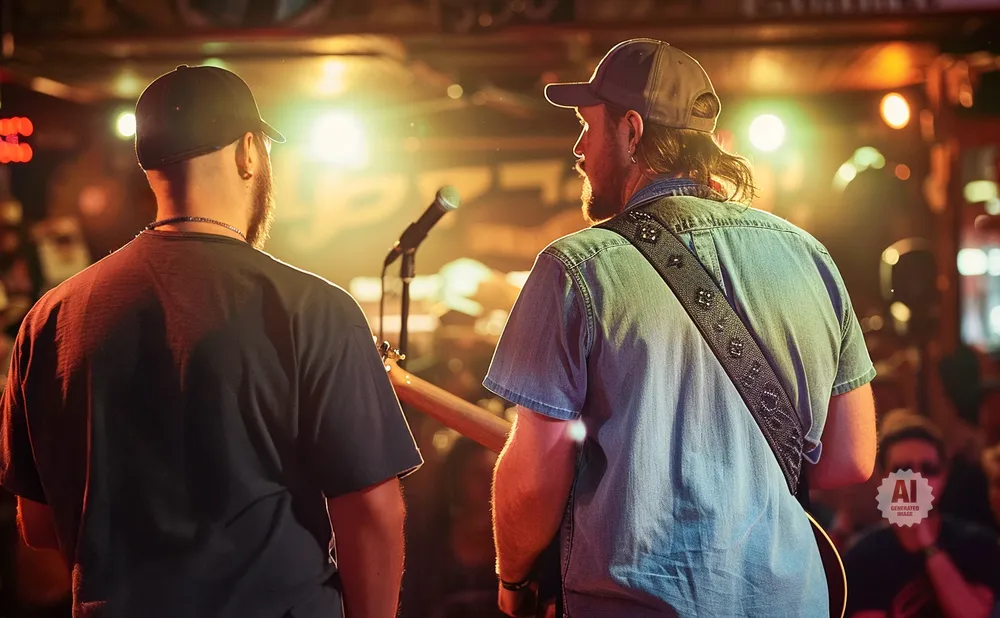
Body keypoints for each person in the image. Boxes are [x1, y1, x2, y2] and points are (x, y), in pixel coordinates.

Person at [0, 65, 423, 618]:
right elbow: (372, 512)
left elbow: (38, 525)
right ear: (248, 153)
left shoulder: (49, 318)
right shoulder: (313, 308)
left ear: (149, 164)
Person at [485, 39, 877, 616]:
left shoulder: (576, 268)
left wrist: (514, 583)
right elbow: (851, 458)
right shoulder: (809, 256)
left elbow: (535, 477)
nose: (578, 148)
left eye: (587, 127)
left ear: (632, 131)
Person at [843, 411, 1000, 617]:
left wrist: (928, 545)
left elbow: (974, 614)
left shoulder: (977, 543)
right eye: (903, 470)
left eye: (928, 469)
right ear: (883, 478)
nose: (916, 480)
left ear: (944, 476)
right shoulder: (863, 554)